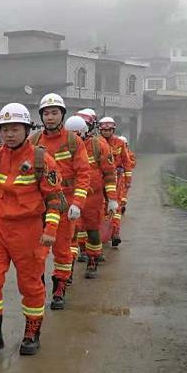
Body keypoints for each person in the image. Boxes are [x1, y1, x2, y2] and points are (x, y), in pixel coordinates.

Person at [0, 103, 65, 357]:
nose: (9, 134)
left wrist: (50, 229)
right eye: (5, 129)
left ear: (26, 129)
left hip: (29, 232)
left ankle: (31, 333)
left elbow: (54, 199)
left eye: (15, 129)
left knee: (31, 284)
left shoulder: (41, 160)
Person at [28, 93, 90, 310]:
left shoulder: (74, 141)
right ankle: (38, 289)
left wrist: (77, 203)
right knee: (37, 252)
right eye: (46, 113)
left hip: (65, 203)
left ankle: (59, 289)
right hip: (40, 206)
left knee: (63, 250)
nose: (50, 117)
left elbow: (83, 174)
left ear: (62, 115)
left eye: (54, 113)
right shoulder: (34, 140)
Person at [65, 114, 118, 279]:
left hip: (93, 199)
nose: (74, 139)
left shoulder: (98, 146)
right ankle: (67, 269)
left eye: (77, 135)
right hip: (71, 197)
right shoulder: (63, 147)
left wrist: (112, 199)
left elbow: (109, 174)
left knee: (93, 232)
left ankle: (92, 261)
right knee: (71, 233)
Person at [98, 118, 134, 247]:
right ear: (100, 130)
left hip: (116, 178)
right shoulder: (95, 142)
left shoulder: (119, 143)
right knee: (101, 206)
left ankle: (115, 233)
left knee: (115, 206)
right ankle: (101, 233)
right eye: (104, 130)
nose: (107, 132)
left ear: (113, 130)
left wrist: (128, 180)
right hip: (99, 178)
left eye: (109, 130)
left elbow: (126, 162)